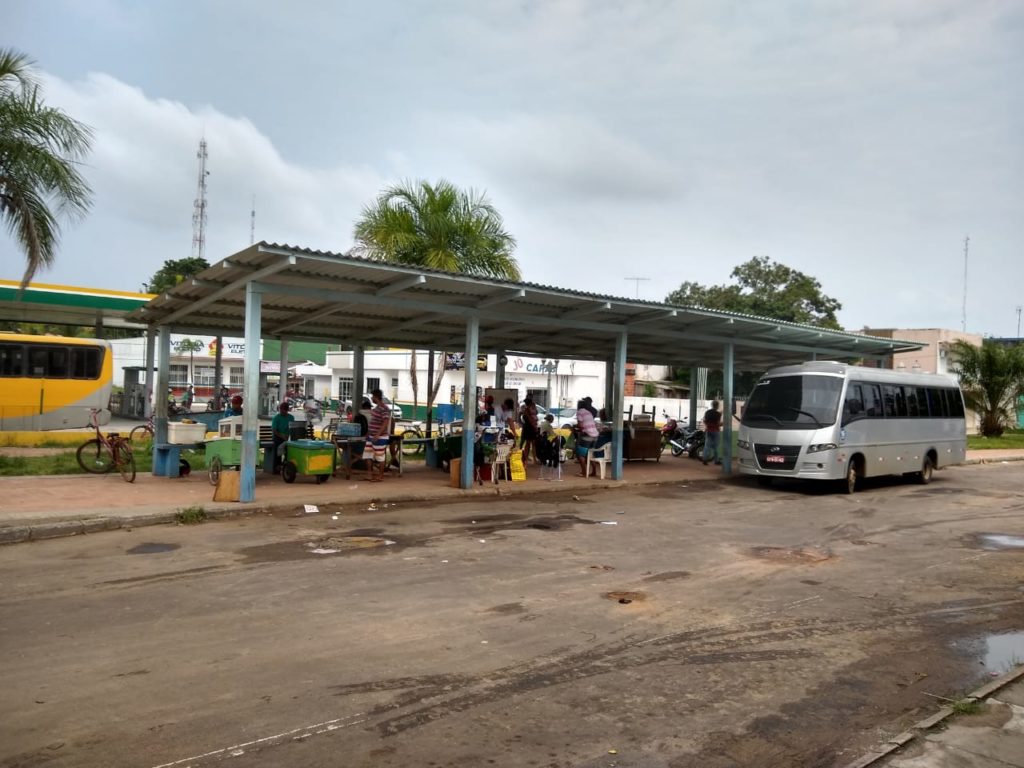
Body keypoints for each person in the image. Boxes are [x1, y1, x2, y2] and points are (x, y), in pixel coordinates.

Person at [367, 388, 392, 482]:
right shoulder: (376, 408)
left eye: (373, 396)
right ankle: (370, 474)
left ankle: (380, 476)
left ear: (376, 397)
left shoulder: (385, 408)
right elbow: (373, 422)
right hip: (371, 436)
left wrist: (378, 434)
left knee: (380, 456)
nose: (372, 398)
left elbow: (385, 422)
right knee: (368, 455)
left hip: (380, 437)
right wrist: (368, 433)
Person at [271, 401, 294, 473]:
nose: (281, 411)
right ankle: (277, 466)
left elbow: (292, 428)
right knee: (277, 448)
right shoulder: (276, 418)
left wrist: (287, 436)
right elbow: (274, 430)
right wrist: (282, 436)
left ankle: (286, 465)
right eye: (280, 410)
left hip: (286, 437)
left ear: (287, 410)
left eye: (283, 410)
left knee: (290, 450)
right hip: (277, 436)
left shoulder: (291, 417)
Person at [519, 397, 539, 466]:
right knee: (530, 444)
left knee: (530, 444)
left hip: (529, 427)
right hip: (530, 427)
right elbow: (530, 419)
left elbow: (535, 414)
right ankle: (528, 459)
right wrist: (534, 426)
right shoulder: (527, 410)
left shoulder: (530, 409)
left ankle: (529, 459)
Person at [702, 400, 723, 466]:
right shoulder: (718, 414)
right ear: (717, 406)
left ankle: (704, 459)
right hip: (715, 431)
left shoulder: (707, 412)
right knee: (716, 447)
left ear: (712, 405)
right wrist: (724, 423)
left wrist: (708, 425)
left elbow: (704, 420)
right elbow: (718, 424)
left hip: (708, 430)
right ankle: (716, 460)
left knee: (707, 446)